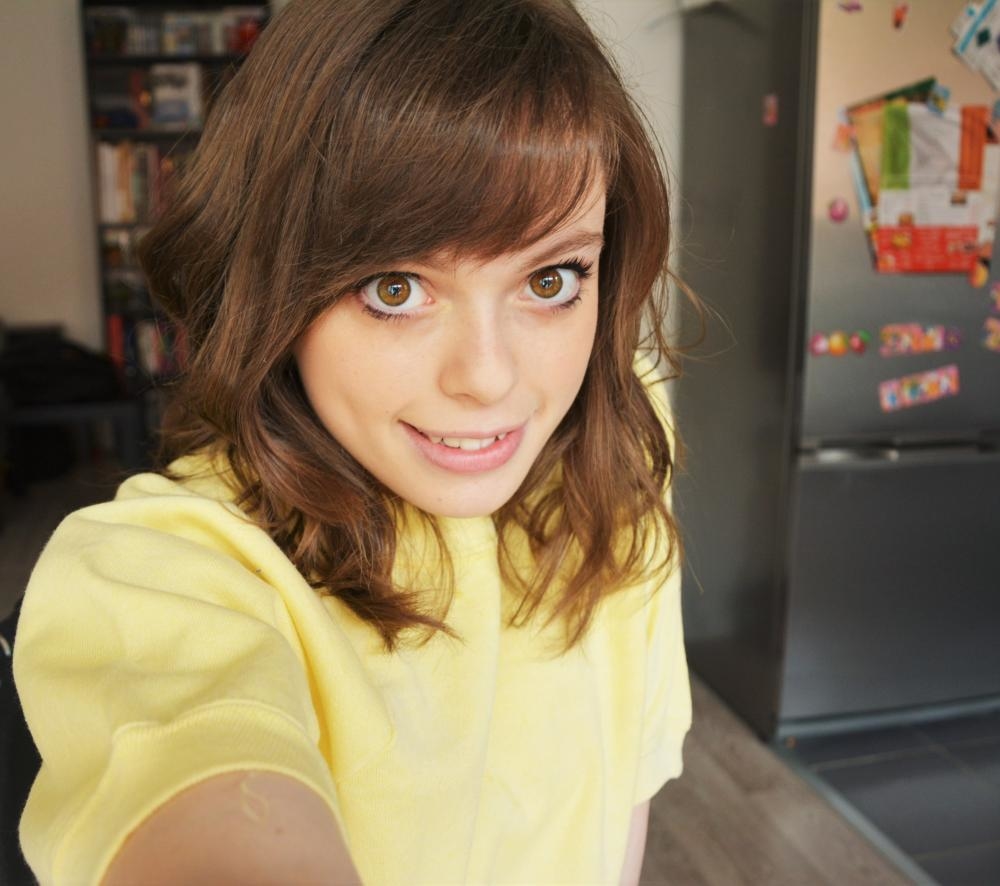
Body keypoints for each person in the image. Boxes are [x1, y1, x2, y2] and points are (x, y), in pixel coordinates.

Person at [14, 0, 693, 882]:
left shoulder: (621, 427)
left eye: (552, 278)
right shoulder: (169, 574)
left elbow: (624, 784)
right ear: (272, 282)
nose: (489, 378)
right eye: (395, 288)